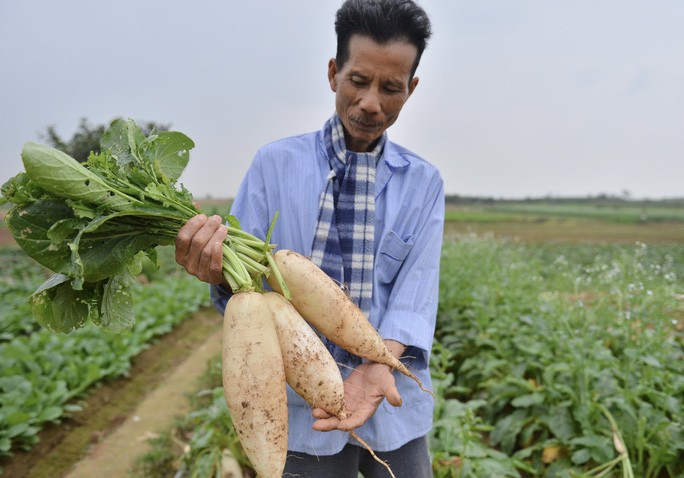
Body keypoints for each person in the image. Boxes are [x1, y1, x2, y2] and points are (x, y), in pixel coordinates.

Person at [175, 1, 443, 476]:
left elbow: (416, 290)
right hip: (299, 406)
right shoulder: (273, 165)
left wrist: (384, 360)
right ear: (334, 73)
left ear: (412, 89)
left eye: (391, 88)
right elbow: (244, 291)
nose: (370, 103)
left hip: (392, 396)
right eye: (358, 81)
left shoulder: (423, 182)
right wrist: (214, 268)